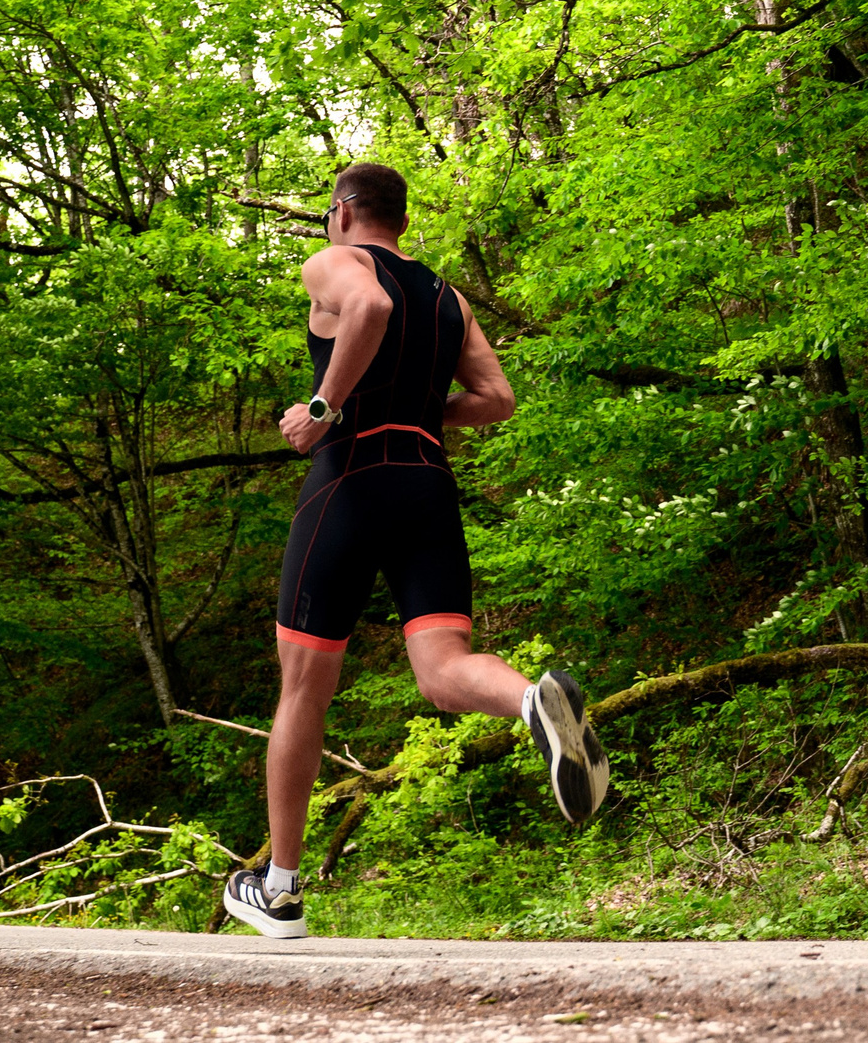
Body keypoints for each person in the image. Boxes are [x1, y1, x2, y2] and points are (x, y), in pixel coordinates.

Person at [220, 161, 608, 940]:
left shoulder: (336, 262)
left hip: (350, 477)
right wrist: (422, 409)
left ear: (342, 211)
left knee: (304, 686)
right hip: (426, 478)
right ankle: (532, 701)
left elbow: (367, 305)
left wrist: (325, 406)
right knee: (442, 670)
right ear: (401, 218)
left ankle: (282, 889)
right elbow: (496, 398)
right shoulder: (448, 297)